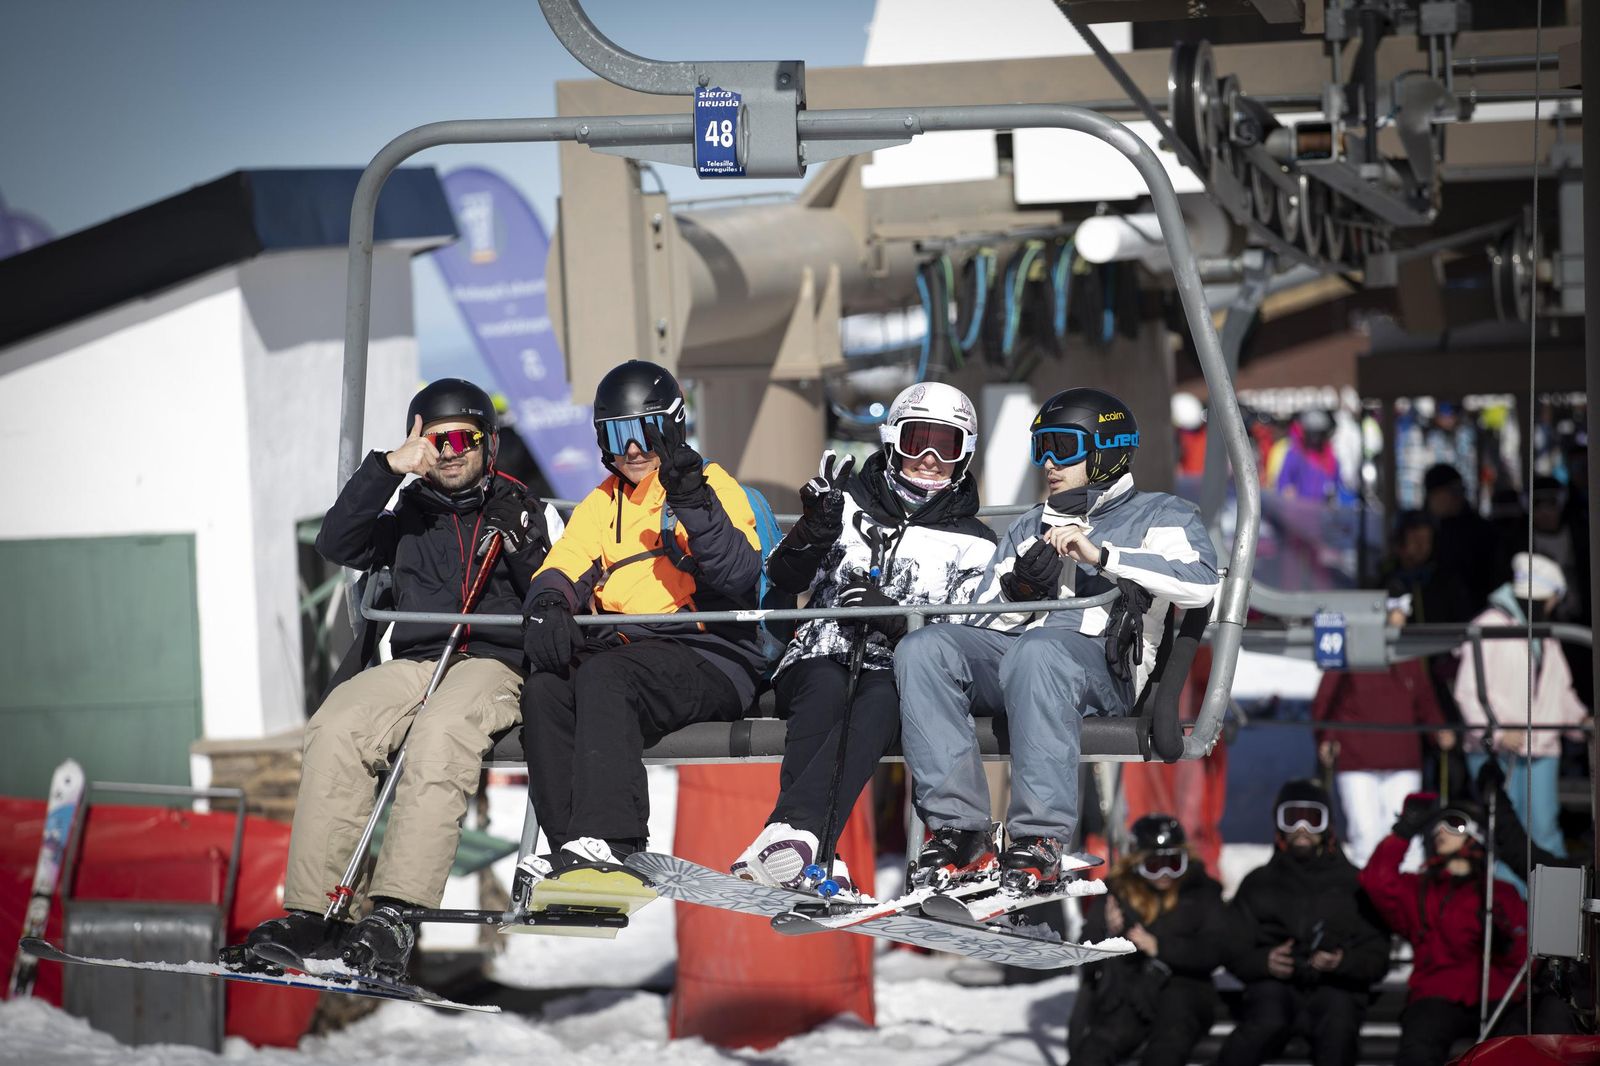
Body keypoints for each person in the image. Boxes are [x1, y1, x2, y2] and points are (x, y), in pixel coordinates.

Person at [233, 379, 562, 978]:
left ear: (488, 444)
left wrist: (524, 545)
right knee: (337, 723)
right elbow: (338, 543)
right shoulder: (405, 512)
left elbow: (557, 593)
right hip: (416, 660)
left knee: (440, 734)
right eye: (438, 441)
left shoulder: (523, 506)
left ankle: (396, 912)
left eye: (466, 438)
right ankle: (315, 913)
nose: (453, 451)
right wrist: (387, 468)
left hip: (493, 662)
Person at [894, 387, 1220, 890]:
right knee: (924, 649)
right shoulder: (1030, 524)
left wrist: (1103, 557)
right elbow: (977, 629)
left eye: (1063, 447)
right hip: (1023, 664)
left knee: (1040, 651)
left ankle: (1038, 838)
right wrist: (1017, 591)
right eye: (1041, 446)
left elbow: (1201, 582)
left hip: (1103, 672)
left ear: (1107, 451)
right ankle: (960, 832)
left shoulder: (1162, 515)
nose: (1048, 462)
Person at [731, 383, 996, 893]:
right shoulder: (846, 504)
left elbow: (971, 640)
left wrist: (897, 620)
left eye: (948, 445)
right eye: (918, 440)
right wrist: (814, 528)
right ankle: (810, 846)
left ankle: (795, 842)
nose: (929, 459)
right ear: (891, 440)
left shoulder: (976, 544)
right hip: (817, 654)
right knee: (829, 688)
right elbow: (784, 578)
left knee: (878, 700)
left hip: (897, 671)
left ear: (965, 455)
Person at [515, 360, 764, 885]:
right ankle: (571, 851)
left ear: (672, 425)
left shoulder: (709, 482)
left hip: (710, 652)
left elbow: (739, 572)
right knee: (546, 688)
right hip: (633, 652)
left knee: (606, 676)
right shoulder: (603, 502)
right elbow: (564, 563)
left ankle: (615, 840)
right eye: (618, 433)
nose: (633, 448)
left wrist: (693, 500)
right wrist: (549, 603)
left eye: (645, 430)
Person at [1217, 781, 1391, 1066]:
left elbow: (1376, 954)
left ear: (1327, 826)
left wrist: (1342, 962)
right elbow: (1232, 944)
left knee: (1338, 1030)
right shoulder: (1259, 883)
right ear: (1278, 824)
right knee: (1263, 1025)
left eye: (1312, 819)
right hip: (1275, 987)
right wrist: (1264, 962)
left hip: (1336, 987)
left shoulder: (1352, 884)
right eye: (1291, 818)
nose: (1301, 829)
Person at [1360, 795, 1528, 1066]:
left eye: (1454, 824)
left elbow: (1523, 953)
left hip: (1496, 995)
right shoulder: (1421, 889)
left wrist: (1505, 946)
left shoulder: (1500, 894)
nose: (1440, 831)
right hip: (1436, 995)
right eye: (1437, 825)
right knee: (1419, 1045)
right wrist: (1404, 831)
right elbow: (1376, 881)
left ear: (1476, 835)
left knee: (1514, 1044)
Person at [1453, 552, 1588, 868]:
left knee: (1544, 833)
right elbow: (1467, 693)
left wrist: (1581, 720)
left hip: (1541, 750)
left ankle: (1550, 912)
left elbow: (1559, 691)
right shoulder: (1487, 627)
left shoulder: (1545, 634)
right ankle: (1507, 912)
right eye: (1553, 598)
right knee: (1503, 838)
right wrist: (1498, 733)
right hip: (1496, 753)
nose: (1555, 605)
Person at [1067, 815, 1228, 1066]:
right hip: (1132, 996)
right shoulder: (1117, 892)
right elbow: (1086, 954)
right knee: (1096, 1050)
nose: (1165, 874)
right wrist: (1107, 931)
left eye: (1173, 863)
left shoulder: (1201, 892)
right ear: (1137, 862)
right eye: (1154, 865)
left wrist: (1159, 947)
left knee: (1166, 1048)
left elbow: (1215, 950)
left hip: (1183, 995)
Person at [1312, 605, 1453, 868]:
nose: (1403, 617)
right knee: (1365, 834)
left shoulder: (1408, 656)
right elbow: (1327, 701)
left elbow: (1424, 700)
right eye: (1398, 609)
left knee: (1405, 836)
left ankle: (1408, 899)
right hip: (1356, 759)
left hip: (1403, 759)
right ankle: (1366, 896)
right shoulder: (1352, 648)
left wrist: (1438, 730)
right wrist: (1326, 738)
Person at [1422, 462, 1503, 620]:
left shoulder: (1481, 533)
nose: (1457, 497)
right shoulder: (1424, 530)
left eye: (1459, 491)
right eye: (1452, 491)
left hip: (1476, 619)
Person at [1275, 409, 1340, 502]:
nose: (1315, 439)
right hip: (1298, 511)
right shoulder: (1295, 455)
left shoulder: (1331, 458)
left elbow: (1336, 485)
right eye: (1312, 433)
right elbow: (1283, 483)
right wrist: (1287, 492)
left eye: (1319, 434)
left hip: (1322, 512)